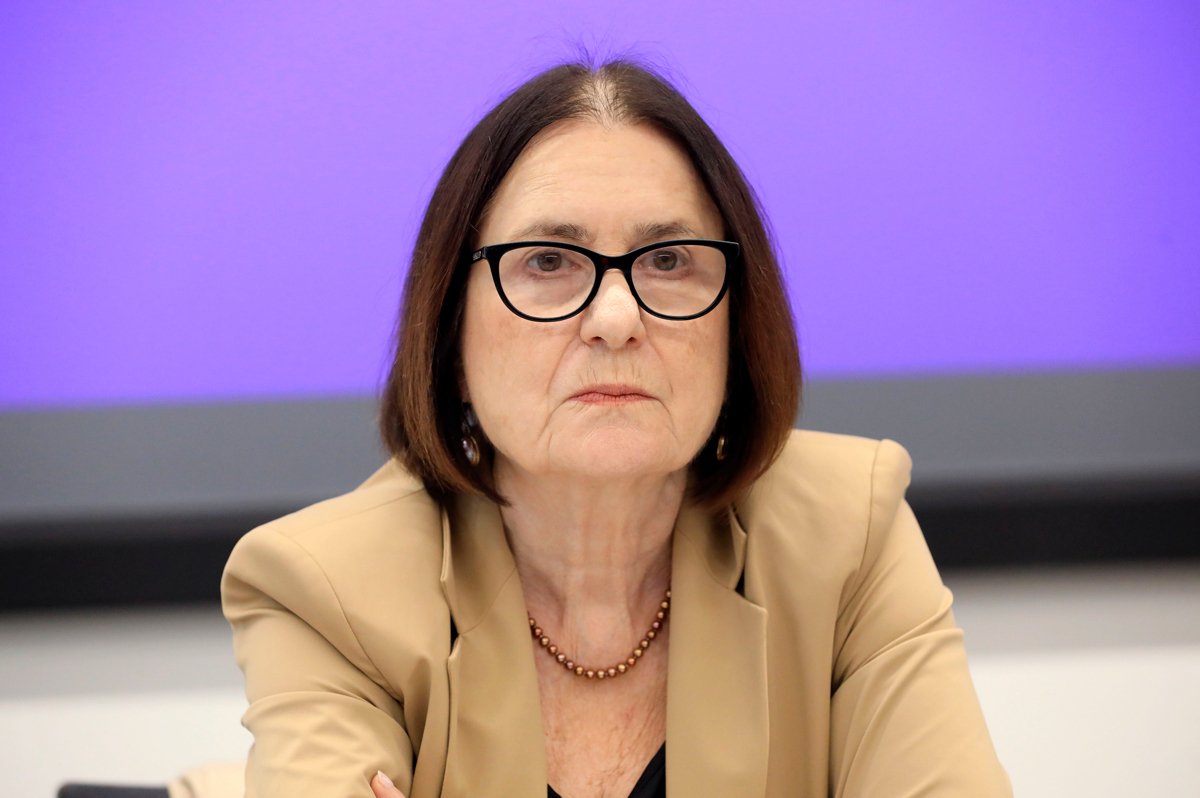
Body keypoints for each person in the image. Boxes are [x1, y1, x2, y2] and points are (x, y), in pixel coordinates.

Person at [221, 60, 1011, 797]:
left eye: (668, 261)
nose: (616, 318)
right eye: (547, 262)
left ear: (735, 328)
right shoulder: (329, 590)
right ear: (451, 333)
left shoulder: (846, 535)